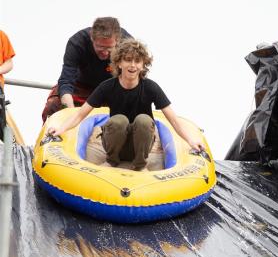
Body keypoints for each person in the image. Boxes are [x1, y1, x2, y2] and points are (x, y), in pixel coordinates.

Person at [47, 39, 204, 171]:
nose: (133, 65)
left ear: (143, 65)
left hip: (140, 146)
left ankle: (140, 166)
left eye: (137, 61)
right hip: (115, 143)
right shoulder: (107, 86)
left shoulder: (150, 87)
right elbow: (81, 114)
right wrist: (60, 129)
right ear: (119, 63)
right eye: (128, 60)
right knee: (119, 120)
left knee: (143, 119)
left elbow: (173, 120)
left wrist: (191, 141)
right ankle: (111, 161)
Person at [41, 17, 132, 122]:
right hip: (80, 87)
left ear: (118, 41)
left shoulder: (127, 45)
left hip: (113, 88)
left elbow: (135, 81)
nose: (105, 53)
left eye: (109, 48)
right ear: (92, 39)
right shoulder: (77, 42)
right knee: (53, 105)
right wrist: (71, 114)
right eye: (100, 47)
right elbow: (66, 80)